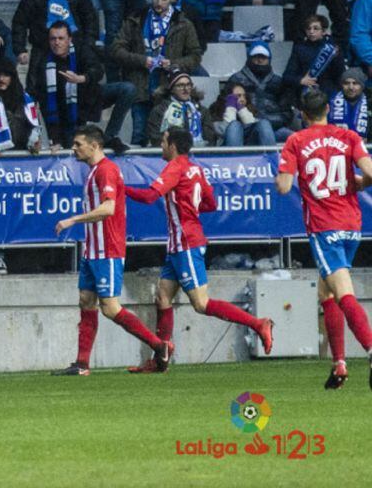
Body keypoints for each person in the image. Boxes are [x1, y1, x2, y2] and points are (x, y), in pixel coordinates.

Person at [125, 127, 275, 373]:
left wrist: (122, 188)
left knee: (201, 303)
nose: (161, 146)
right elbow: (211, 203)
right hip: (178, 243)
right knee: (162, 298)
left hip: (186, 243)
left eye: (163, 142)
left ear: (172, 145)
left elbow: (149, 196)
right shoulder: (195, 168)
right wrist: (188, 208)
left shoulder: (176, 167)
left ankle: (259, 324)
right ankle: (161, 358)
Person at [51, 125, 173, 376]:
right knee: (86, 301)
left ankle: (159, 346)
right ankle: (82, 365)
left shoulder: (106, 170)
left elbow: (108, 209)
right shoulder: (94, 170)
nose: (74, 149)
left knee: (109, 307)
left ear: (94, 146)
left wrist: (72, 220)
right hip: (92, 249)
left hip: (107, 249)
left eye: (78, 144)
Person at [276, 90, 372, 389]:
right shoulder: (348, 136)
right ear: (328, 109)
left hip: (324, 226)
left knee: (343, 292)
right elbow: (369, 171)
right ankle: (339, 364)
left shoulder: (296, 140)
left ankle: (370, 349)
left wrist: (285, 175)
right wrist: (361, 182)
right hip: (352, 225)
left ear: (302, 114)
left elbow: (283, 186)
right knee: (326, 294)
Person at [111, 0, 202, 146]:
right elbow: (116, 49)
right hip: (140, 86)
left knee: (170, 139)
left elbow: (195, 56)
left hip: (169, 90)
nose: (159, 3)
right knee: (139, 136)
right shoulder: (135, 19)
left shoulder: (184, 23)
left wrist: (174, 64)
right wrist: (141, 60)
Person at [26, 22, 106, 149]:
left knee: (126, 90)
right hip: (65, 115)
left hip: (89, 100)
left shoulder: (81, 50)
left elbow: (98, 70)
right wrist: (54, 140)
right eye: (53, 39)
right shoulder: (44, 63)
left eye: (61, 38)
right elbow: (47, 105)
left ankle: (111, 135)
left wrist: (82, 78)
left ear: (69, 39)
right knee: (72, 149)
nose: (56, 42)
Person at [11, 0, 96, 66]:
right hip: (42, 47)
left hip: (74, 47)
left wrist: (88, 44)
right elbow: (20, 21)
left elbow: (90, 20)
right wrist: (20, 49)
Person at [228, 42, 292, 142]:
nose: (259, 60)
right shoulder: (236, 79)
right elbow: (227, 108)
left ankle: (271, 157)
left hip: (273, 128)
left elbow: (286, 113)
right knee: (236, 127)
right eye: (256, 56)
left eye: (263, 57)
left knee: (294, 137)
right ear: (249, 58)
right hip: (243, 128)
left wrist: (265, 120)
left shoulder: (278, 82)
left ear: (269, 59)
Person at [281, 14, 346, 105]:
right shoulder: (299, 49)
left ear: (323, 31)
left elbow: (340, 75)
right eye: (308, 28)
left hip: (329, 96)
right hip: (306, 96)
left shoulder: (332, 49)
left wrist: (337, 58)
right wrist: (300, 80)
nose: (311, 32)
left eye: (315, 28)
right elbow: (287, 77)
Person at [146, 70, 215, 147]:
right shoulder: (159, 111)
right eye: (180, 85)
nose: (185, 89)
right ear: (172, 89)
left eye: (188, 85)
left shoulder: (202, 111)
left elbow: (210, 138)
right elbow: (155, 138)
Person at [209, 80, 278, 146]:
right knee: (235, 126)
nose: (242, 99)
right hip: (225, 152)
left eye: (244, 96)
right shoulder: (216, 117)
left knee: (264, 123)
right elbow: (224, 133)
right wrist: (230, 108)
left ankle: (271, 157)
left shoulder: (251, 111)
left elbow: (255, 126)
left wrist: (243, 112)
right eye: (238, 96)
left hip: (250, 148)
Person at [327, 68, 370, 139]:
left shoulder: (369, 103)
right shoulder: (330, 102)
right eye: (346, 83)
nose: (351, 87)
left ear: (362, 86)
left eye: (355, 83)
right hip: (334, 145)